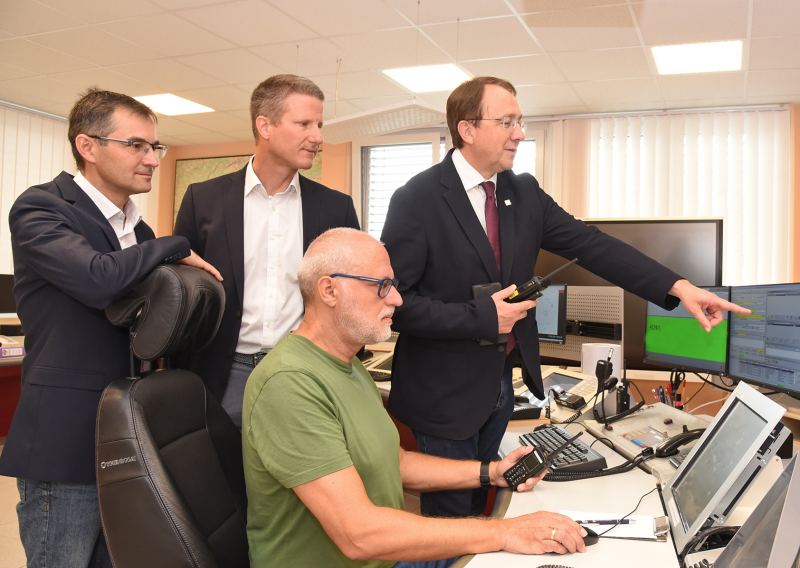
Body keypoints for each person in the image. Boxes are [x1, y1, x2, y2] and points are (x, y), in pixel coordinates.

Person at [381, 76, 749, 517]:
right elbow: (395, 304)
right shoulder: (417, 199)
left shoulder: (522, 193)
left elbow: (593, 246)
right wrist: (481, 317)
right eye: (506, 122)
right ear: (467, 129)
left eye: (520, 121)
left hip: (499, 387)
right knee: (451, 519)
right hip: (442, 395)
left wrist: (679, 287)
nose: (519, 133)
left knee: (485, 509)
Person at [242, 227, 586, 567]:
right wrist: (505, 531)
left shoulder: (348, 364)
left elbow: (395, 462)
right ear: (329, 290)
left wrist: (492, 472)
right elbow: (358, 535)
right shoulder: (288, 383)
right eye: (381, 285)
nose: (397, 298)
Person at [0, 88, 220, 568]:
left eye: (154, 147)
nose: (152, 159)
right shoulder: (42, 207)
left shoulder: (136, 231)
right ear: (88, 146)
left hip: (126, 435)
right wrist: (175, 244)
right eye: (136, 145)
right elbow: (97, 279)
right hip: (65, 438)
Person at [174, 74, 360, 425]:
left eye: (319, 125)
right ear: (265, 126)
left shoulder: (336, 208)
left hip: (304, 370)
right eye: (304, 124)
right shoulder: (203, 200)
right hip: (223, 374)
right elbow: (184, 293)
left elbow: (353, 294)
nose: (317, 137)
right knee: (220, 462)